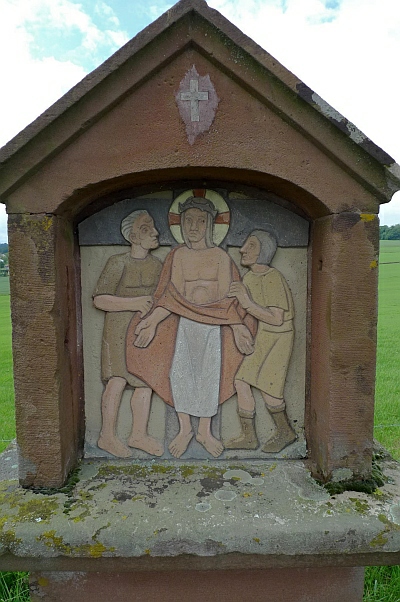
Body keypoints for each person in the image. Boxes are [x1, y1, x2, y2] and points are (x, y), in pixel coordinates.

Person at [126, 194, 254, 459]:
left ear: (210, 225)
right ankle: (185, 429)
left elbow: (227, 299)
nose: (193, 227)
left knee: (209, 376)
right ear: (181, 224)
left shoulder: (220, 257)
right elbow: (171, 296)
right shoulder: (178, 255)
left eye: (200, 221)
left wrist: (237, 326)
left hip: (213, 324)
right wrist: (152, 321)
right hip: (184, 322)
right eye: (188, 221)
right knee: (180, 373)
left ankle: (204, 431)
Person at [93, 210, 163, 458]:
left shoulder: (157, 265)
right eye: (146, 229)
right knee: (117, 380)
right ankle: (107, 436)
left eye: (152, 227)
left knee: (145, 382)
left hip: (144, 332)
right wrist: (133, 303)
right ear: (133, 237)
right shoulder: (118, 262)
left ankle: (138, 434)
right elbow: (100, 299)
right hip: (117, 332)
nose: (155, 233)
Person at [226, 229, 296, 453]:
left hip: (279, 337)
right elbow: (239, 310)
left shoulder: (272, 278)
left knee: (270, 388)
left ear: (263, 252)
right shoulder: (249, 277)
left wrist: (246, 301)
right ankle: (249, 437)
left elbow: (276, 318)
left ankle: (285, 432)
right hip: (263, 335)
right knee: (241, 381)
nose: (242, 250)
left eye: (251, 246)